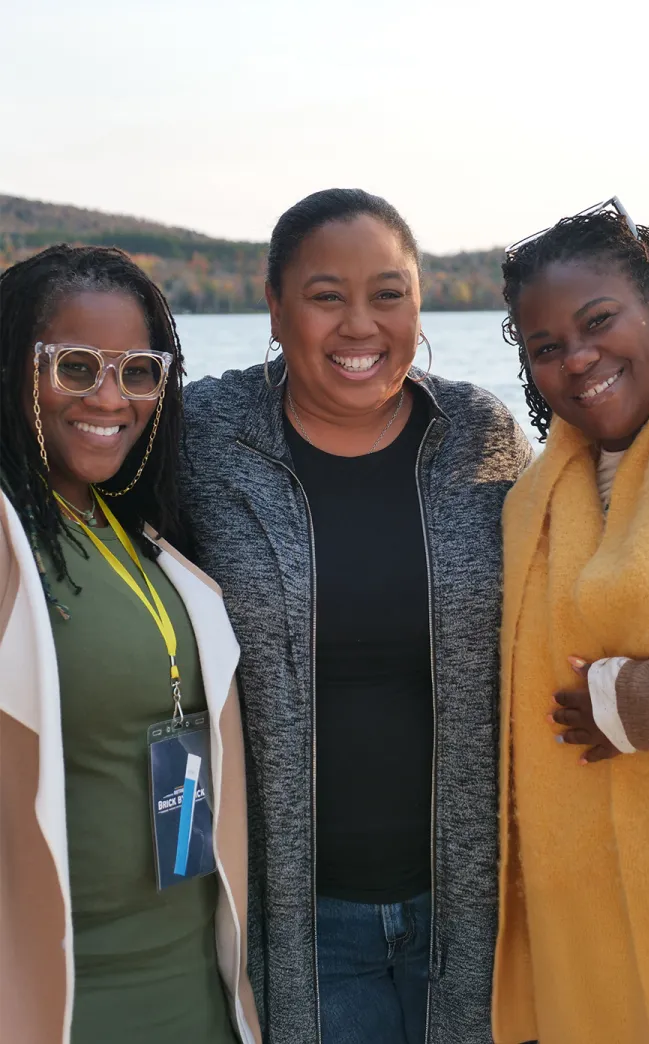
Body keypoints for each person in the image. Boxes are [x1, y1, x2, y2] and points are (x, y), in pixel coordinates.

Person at [181, 188, 532, 1044]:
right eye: (326, 296)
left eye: (388, 292)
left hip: (476, 912)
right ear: (274, 306)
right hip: (300, 922)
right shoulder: (201, 436)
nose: (360, 326)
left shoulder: (479, 433)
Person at [0, 245, 260, 1044]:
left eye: (139, 371)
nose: (110, 397)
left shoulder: (129, 528)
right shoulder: (9, 536)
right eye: (74, 367)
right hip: (66, 997)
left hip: (194, 984)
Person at [493, 199, 649, 1044]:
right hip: (595, 933)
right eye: (546, 349)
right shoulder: (547, 488)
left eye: (598, 321)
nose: (578, 359)